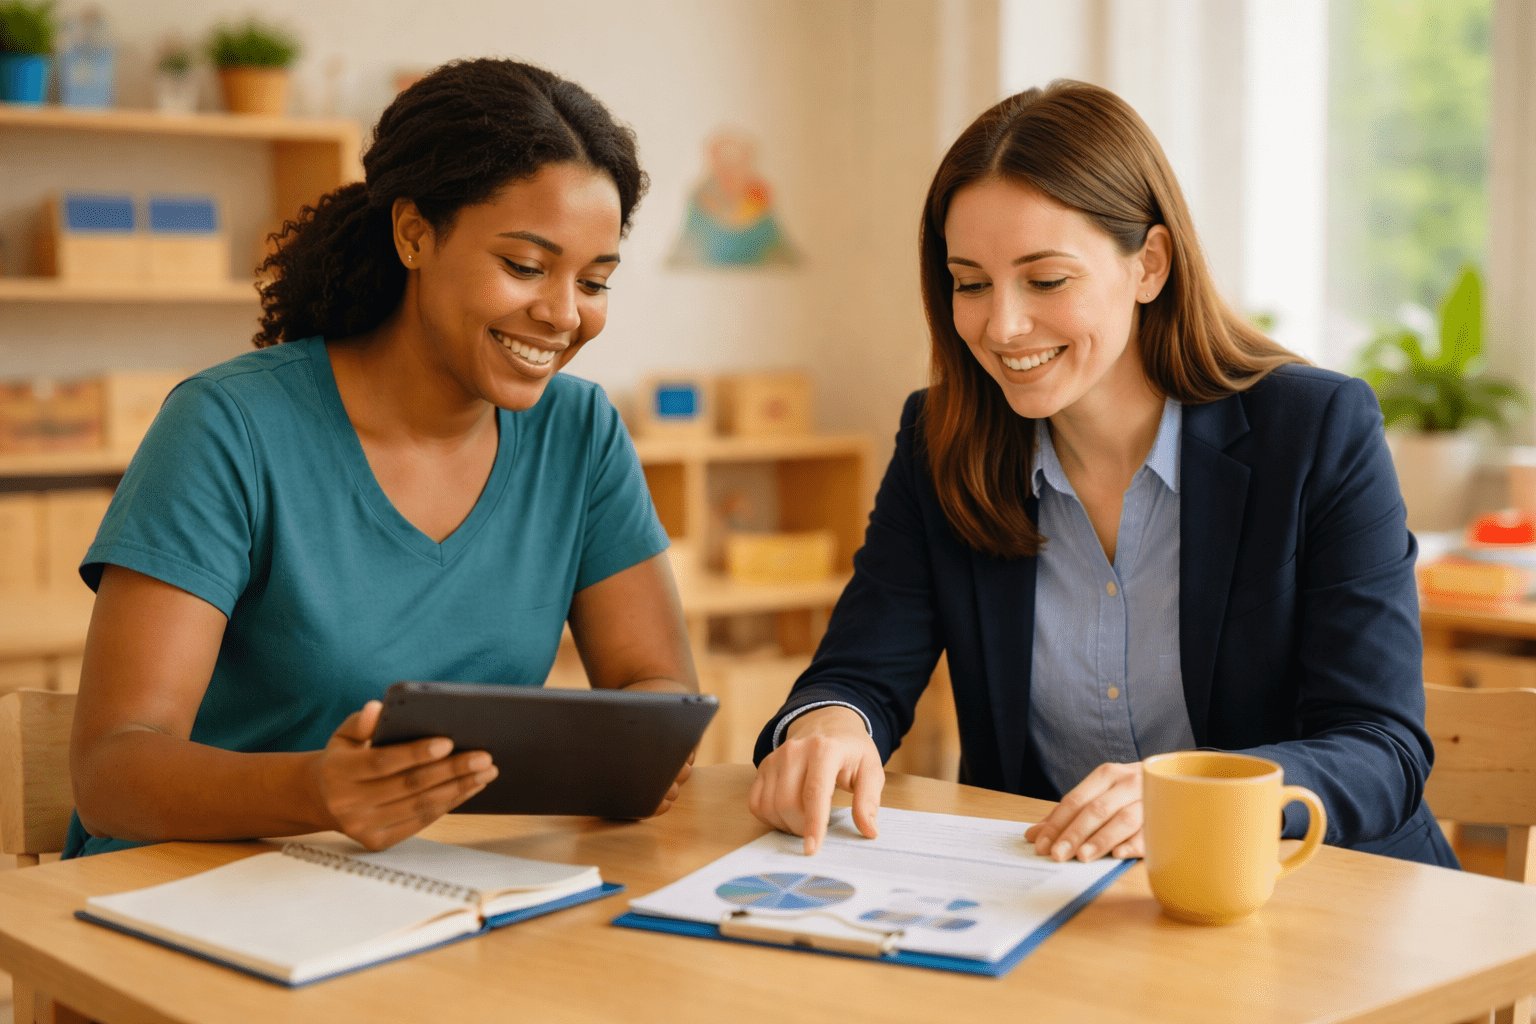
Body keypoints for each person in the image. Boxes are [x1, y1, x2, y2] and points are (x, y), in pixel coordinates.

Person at [748, 80, 1456, 869]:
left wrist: (1200, 801)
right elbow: (858, 674)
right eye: (971, 282)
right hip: (1075, 913)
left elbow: (1381, 746)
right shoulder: (940, 440)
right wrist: (829, 726)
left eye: (1046, 280)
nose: (1002, 325)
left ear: (1149, 264)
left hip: (1318, 897)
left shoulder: (1315, 430)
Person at [66, 58, 697, 858]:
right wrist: (316, 793)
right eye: (526, 267)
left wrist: (643, 748)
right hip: (187, 892)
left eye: (596, 281)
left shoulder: (580, 433)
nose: (563, 315)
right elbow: (110, 771)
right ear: (414, 234)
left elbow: (658, 691)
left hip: (426, 890)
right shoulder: (229, 426)